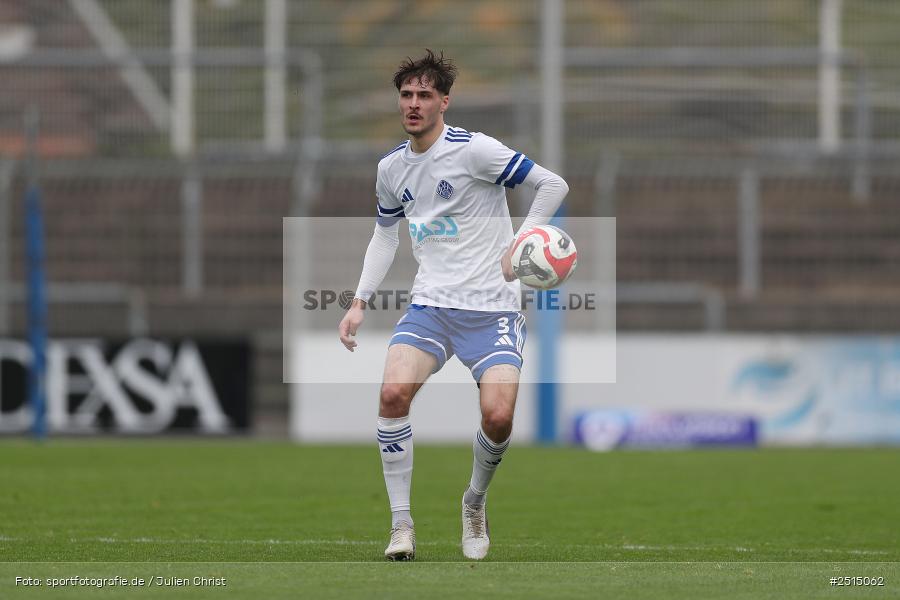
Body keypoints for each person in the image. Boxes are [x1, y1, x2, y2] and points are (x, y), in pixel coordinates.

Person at [338, 49, 568, 561]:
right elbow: (384, 237)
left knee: (499, 417)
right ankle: (401, 526)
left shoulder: (475, 151)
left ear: (445, 101)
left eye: (424, 95)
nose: (414, 104)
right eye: (406, 95)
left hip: (493, 310)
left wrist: (521, 240)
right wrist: (358, 303)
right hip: (431, 306)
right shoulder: (392, 168)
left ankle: (474, 500)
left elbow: (553, 184)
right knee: (393, 393)